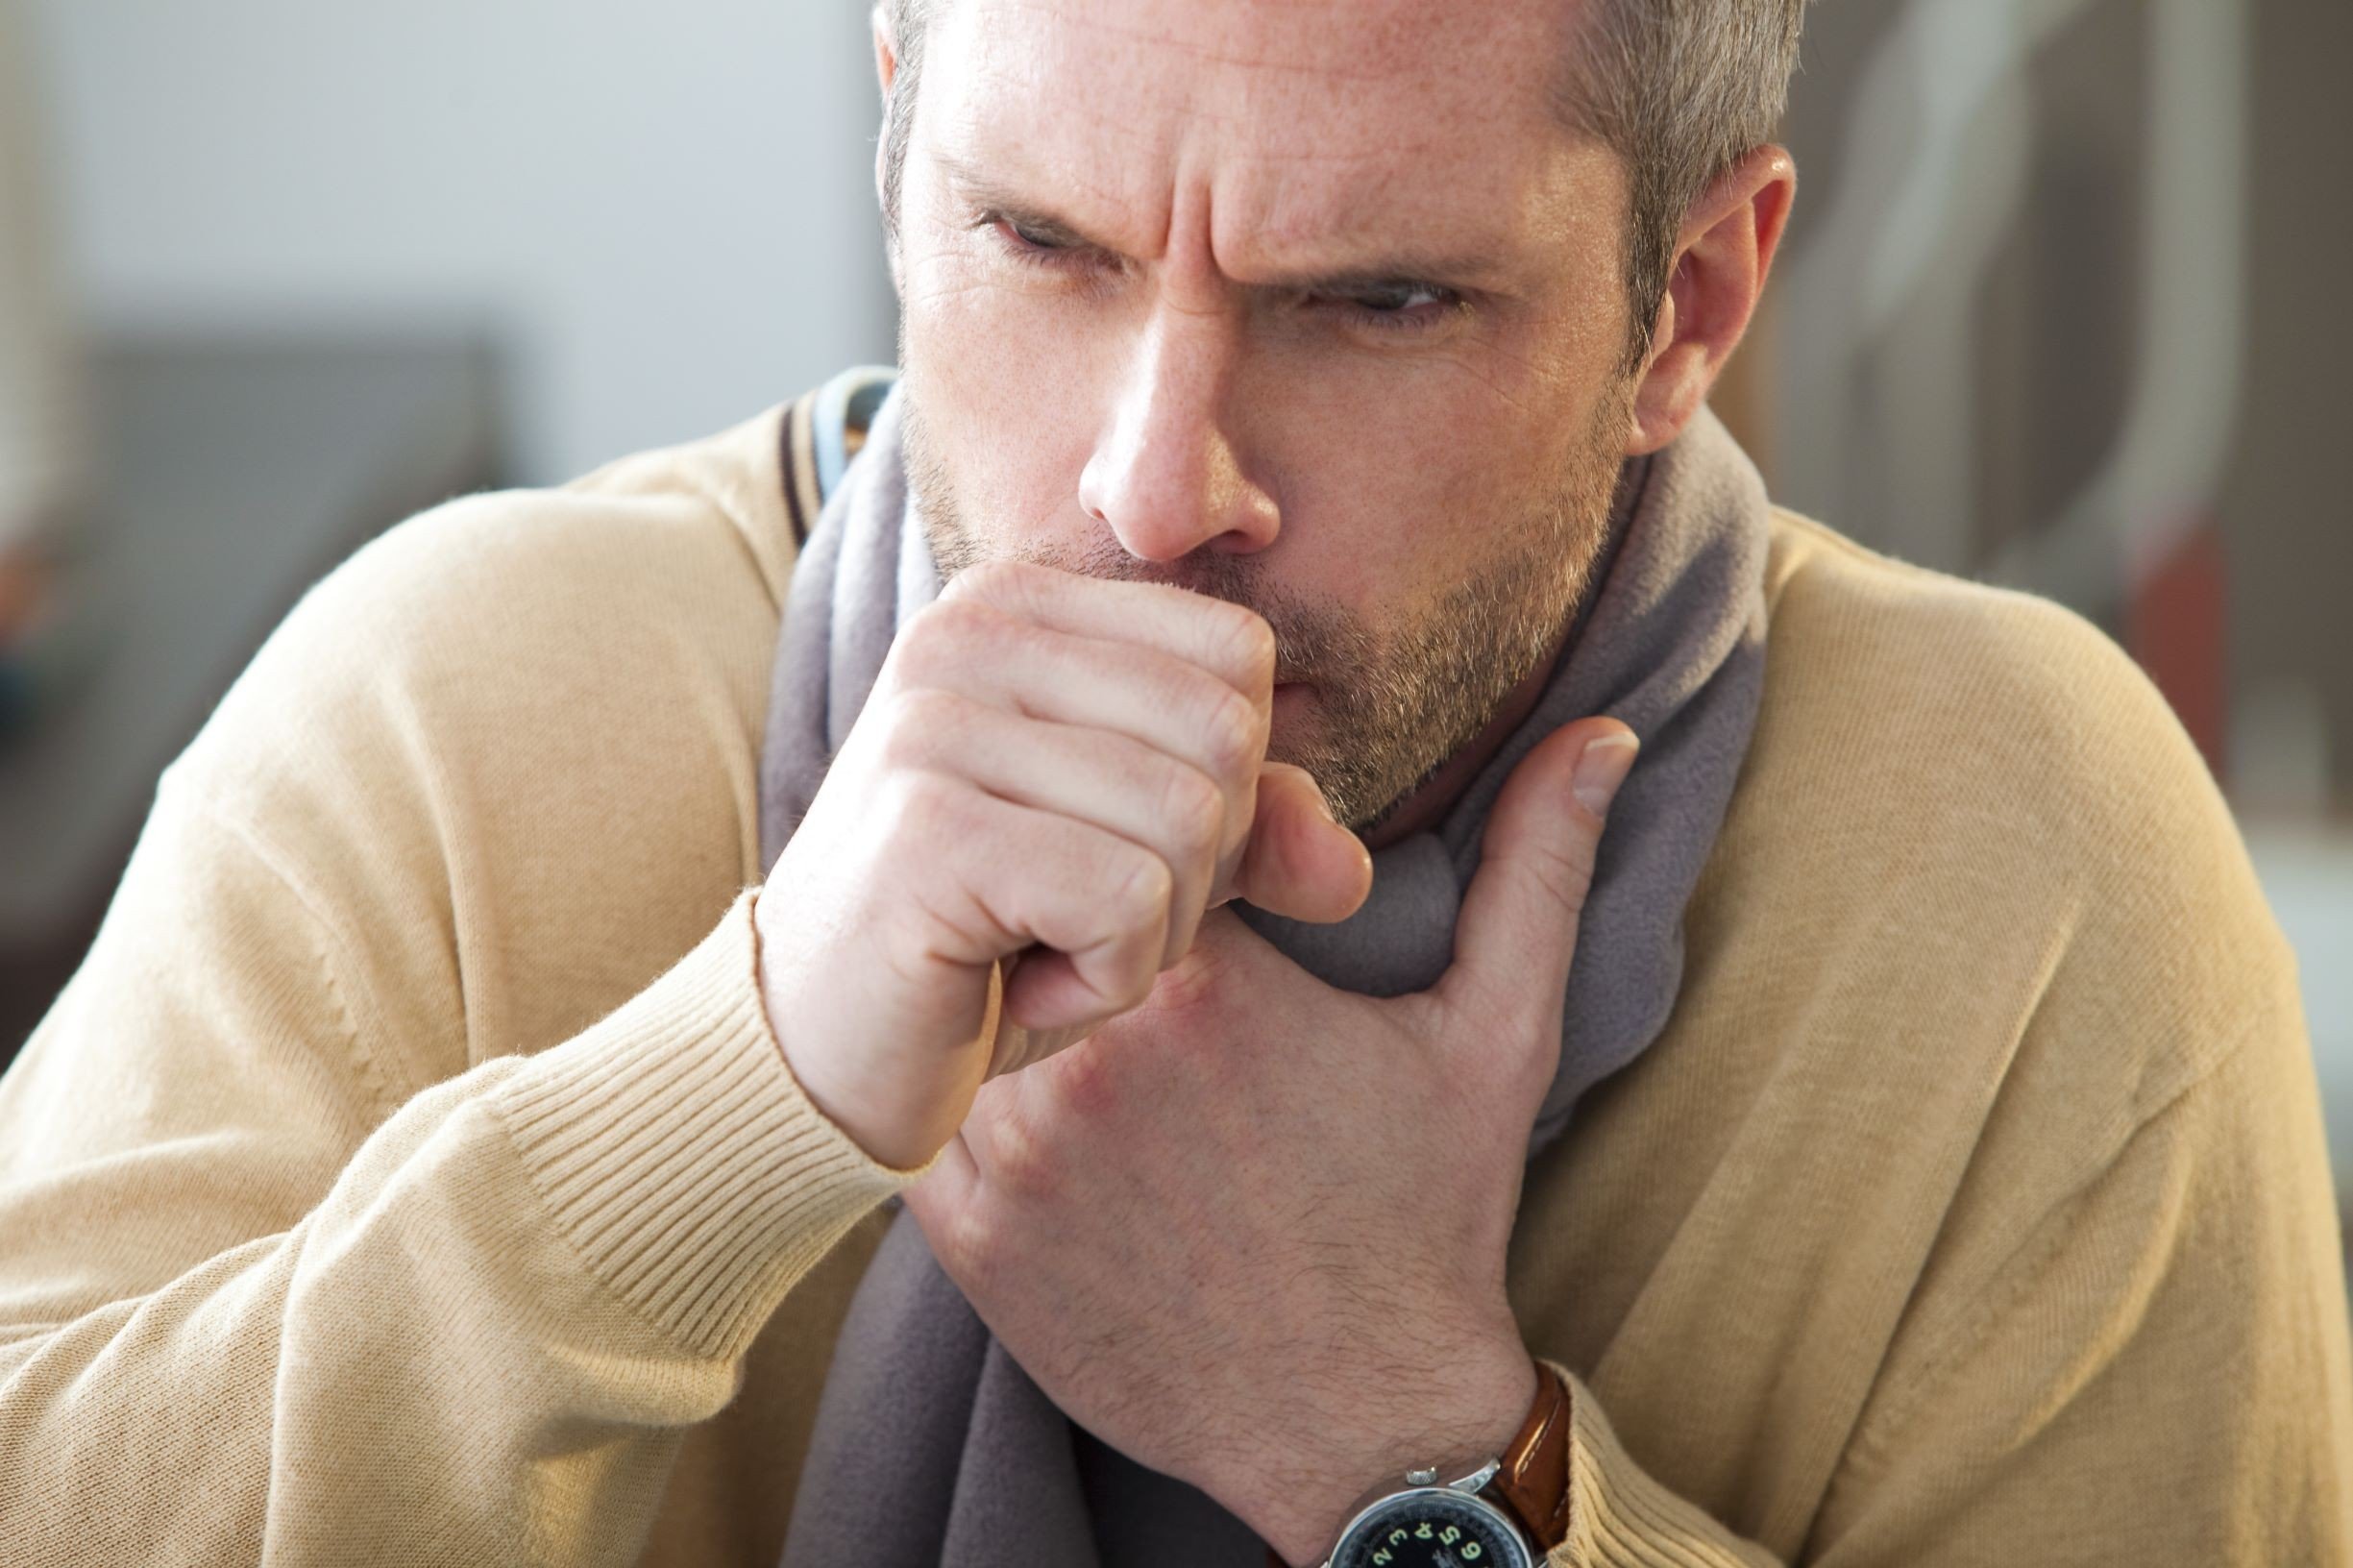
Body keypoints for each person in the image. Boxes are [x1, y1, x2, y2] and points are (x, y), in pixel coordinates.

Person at [2, 0, 2347, 1563]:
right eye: (1041, 244)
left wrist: (1406, 1451)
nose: (1151, 490)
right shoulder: (464, 708)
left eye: (1377, 305)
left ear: (1693, 305)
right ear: (899, 137)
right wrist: (747, 1090)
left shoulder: (2028, 879)